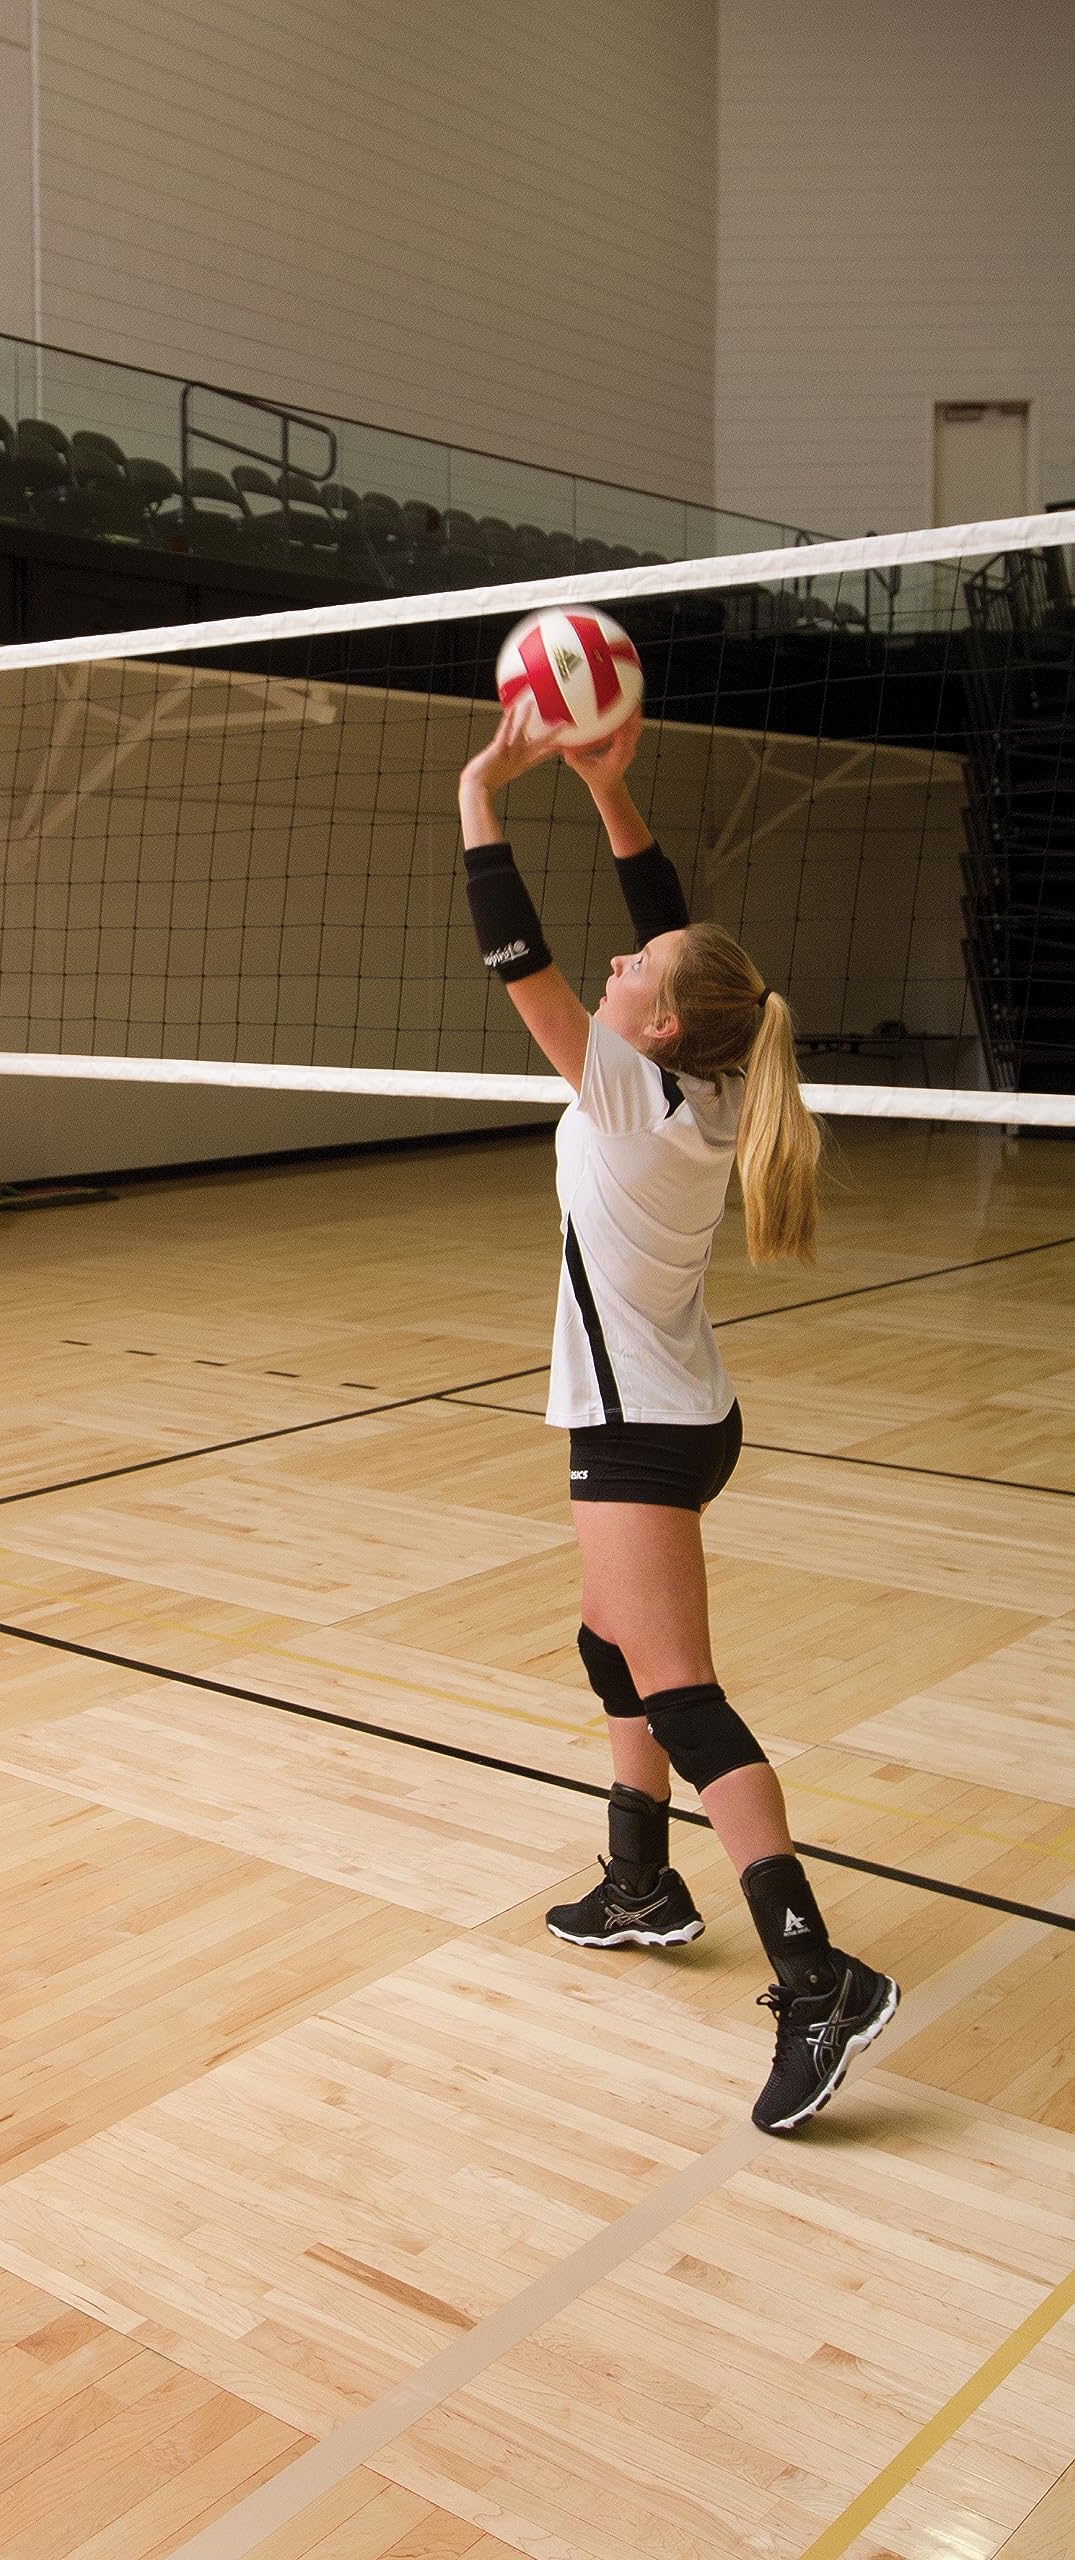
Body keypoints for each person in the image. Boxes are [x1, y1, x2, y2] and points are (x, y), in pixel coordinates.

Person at [458, 697, 899, 2135]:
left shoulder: (627, 1092)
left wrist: (483, 793)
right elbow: (681, 937)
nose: (614, 957)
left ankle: (818, 1975)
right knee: (610, 1645)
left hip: (640, 1429)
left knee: (685, 1694)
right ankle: (643, 1882)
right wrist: (609, 791)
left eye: (628, 969)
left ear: (647, 1021)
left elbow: (516, 956)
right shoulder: (704, 1064)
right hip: (678, 1411)